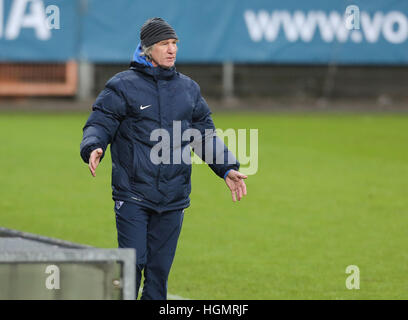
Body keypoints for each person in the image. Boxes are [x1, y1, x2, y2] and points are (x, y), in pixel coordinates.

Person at [80, 17, 247, 300]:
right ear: (147, 49)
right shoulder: (122, 86)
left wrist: (227, 167)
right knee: (132, 269)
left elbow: (204, 135)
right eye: (164, 44)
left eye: (174, 44)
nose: (171, 50)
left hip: (173, 198)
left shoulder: (189, 89)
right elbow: (100, 121)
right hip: (133, 195)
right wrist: (94, 145)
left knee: (158, 277)